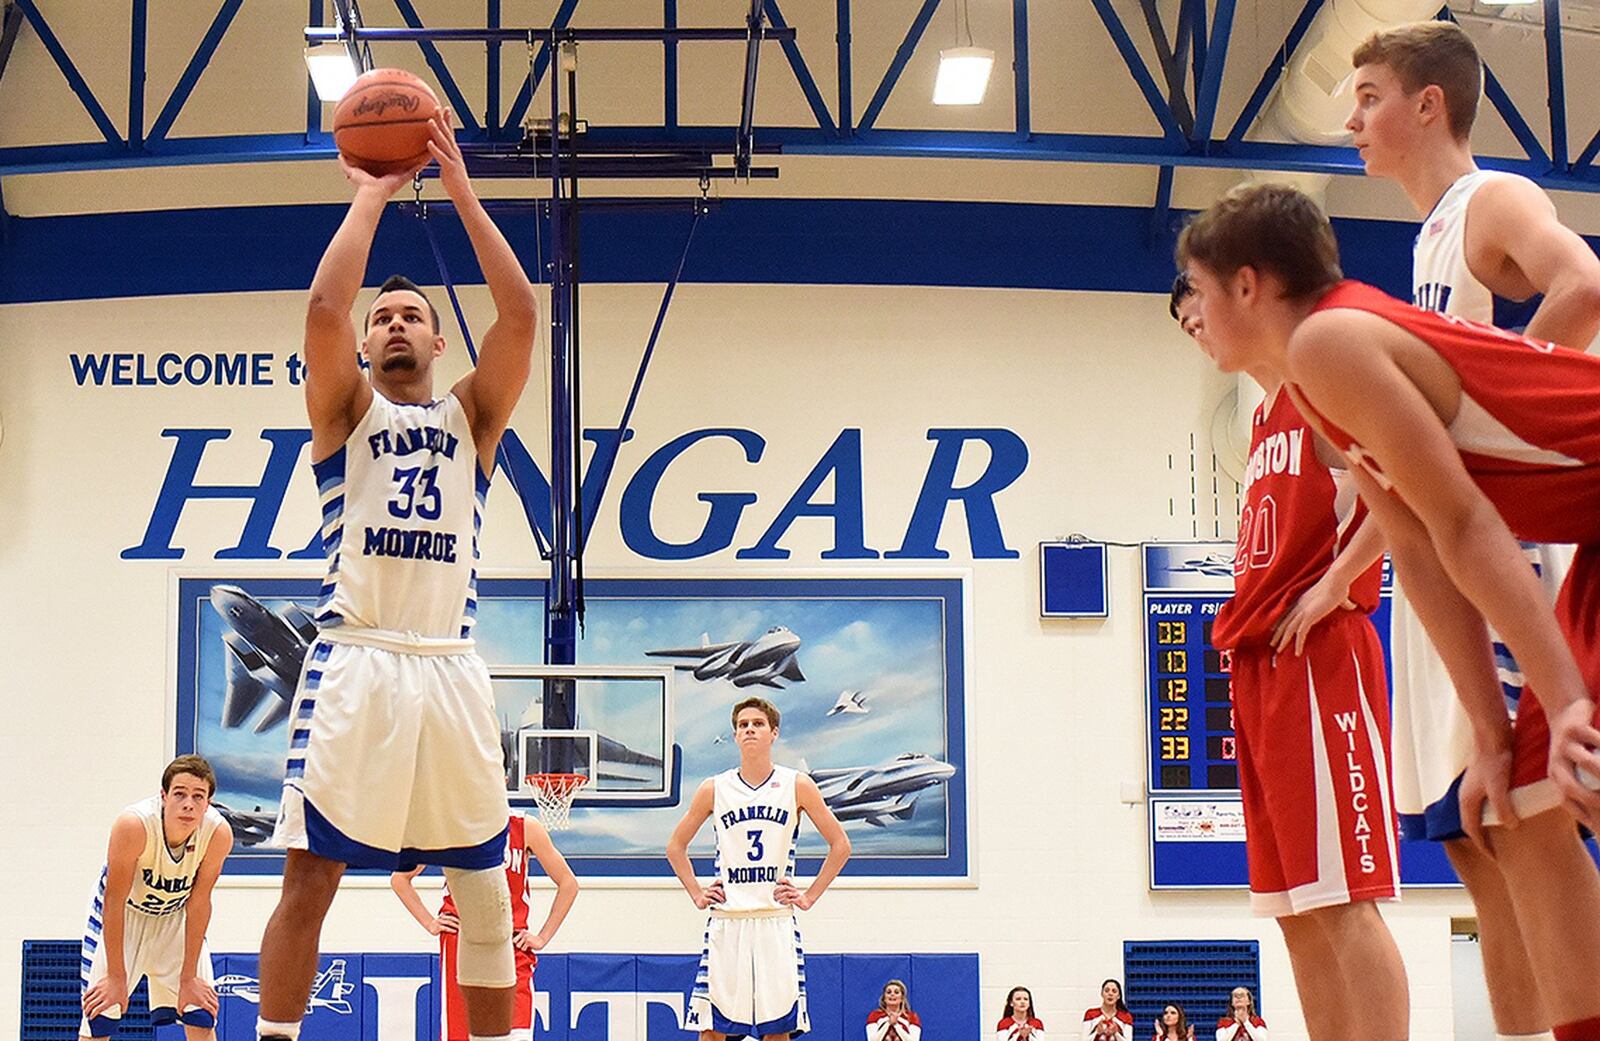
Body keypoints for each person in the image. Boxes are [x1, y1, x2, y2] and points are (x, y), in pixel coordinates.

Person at [1177, 180, 1600, 1040]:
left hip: (1580, 511)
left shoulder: (1333, 339)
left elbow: (1469, 522)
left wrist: (1563, 703)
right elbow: (1420, 549)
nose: (1193, 312)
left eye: (1199, 287)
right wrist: (1489, 731)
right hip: (1585, 528)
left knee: (1569, 767)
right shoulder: (1312, 381)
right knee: (1519, 795)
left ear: (1248, 284)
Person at [254, 106, 538, 1041]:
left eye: (414, 313)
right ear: (370, 349)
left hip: (449, 663)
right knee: (312, 878)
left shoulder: (473, 420)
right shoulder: (343, 413)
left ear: (439, 341)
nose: (396, 323)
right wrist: (375, 191)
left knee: (485, 885)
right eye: (385, 318)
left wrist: (457, 186)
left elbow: (523, 313)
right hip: (359, 658)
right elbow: (325, 309)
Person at [1347, 21, 1600, 1041]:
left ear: (1428, 104)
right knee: (1483, 832)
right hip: (1461, 547)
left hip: (1521, 549)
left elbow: (1582, 280)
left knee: (1535, 813)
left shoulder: (1491, 198)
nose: (1350, 117)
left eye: (1366, 94)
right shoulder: (1426, 238)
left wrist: (1489, 411)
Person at [1171, 273, 1404, 1041]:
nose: (1194, 329)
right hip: (1258, 668)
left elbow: (1405, 474)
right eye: (1183, 322)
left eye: (1199, 309)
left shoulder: (1318, 383)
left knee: (1343, 898)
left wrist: (1338, 579)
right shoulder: (1264, 416)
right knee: (1295, 912)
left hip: (1319, 660)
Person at [667, 697, 852, 1041]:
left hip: (775, 920)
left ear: (774, 733)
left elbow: (841, 845)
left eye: (757, 723)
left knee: (778, 1030)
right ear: (735, 736)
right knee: (711, 1031)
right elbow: (675, 846)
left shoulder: (797, 784)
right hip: (728, 920)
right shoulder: (714, 788)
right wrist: (696, 892)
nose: (749, 729)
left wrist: (809, 896)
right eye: (742, 725)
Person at [79, 756, 233, 1041]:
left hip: (175, 916)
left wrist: (188, 978)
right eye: (180, 794)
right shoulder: (134, 825)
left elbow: (199, 902)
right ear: (164, 796)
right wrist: (116, 977)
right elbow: (114, 899)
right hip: (126, 913)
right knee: (101, 1012)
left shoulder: (218, 834)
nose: (189, 804)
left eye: (198, 796)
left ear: (208, 803)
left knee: (200, 1009)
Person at [391, 812, 578, 1041]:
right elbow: (399, 879)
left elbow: (568, 883)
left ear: (504, 780)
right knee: (461, 1034)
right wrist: (429, 922)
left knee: (516, 1035)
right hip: (461, 941)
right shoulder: (451, 825)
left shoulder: (525, 827)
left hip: (511, 943)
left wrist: (542, 937)